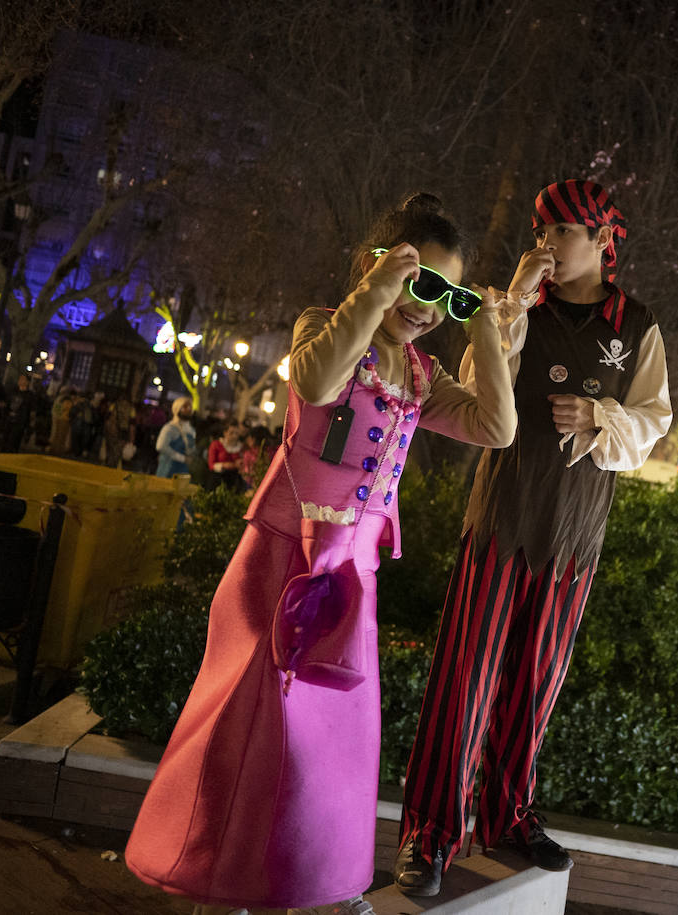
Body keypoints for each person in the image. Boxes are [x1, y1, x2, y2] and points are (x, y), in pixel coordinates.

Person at [124, 194, 516, 915]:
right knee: (255, 724)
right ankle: (228, 880)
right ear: (375, 267)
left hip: (353, 574)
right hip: (283, 557)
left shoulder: (422, 376)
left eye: (447, 295)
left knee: (336, 736)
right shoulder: (326, 328)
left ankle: (322, 879)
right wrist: (374, 292)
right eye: (419, 282)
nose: (428, 307)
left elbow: (496, 425)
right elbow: (317, 381)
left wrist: (485, 329)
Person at [395, 180, 670, 897]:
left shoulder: (635, 324)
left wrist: (603, 413)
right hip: (500, 519)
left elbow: (653, 424)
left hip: (574, 534)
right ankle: (430, 833)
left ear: (604, 240)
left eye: (565, 231)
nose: (547, 242)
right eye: (541, 229)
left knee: (535, 686)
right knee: (466, 677)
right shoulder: (515, 304)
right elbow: (476, 387)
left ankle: (508, 814)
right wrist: (509, 306)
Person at [154, 397, 196, 479]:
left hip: (183, 470)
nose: (189, 409)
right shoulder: (170, 427)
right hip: (168, 469)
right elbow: (160, 446)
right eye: (185, 407)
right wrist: (182, 458)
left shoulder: (191, 430)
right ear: (177, 409)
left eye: (190, 407)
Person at [206, 422, 247, 492]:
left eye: (236, 433)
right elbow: (211, 465)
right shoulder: (216, 444)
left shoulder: (241, 448)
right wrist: (225, 465)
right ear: (225, 432)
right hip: (218, 478)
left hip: (234, 480)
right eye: (231, 433)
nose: (234, 436)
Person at [1, 374, 34, 453]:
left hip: (20, 422)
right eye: (20, 379)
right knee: (5, 439)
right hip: (9, 419)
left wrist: (30, 424)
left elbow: (31, 410)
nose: (20, 381)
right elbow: (7, 403)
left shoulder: (30, 395)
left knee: (14, 441)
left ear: (28, 382)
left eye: (23, 379)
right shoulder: (13, 392)